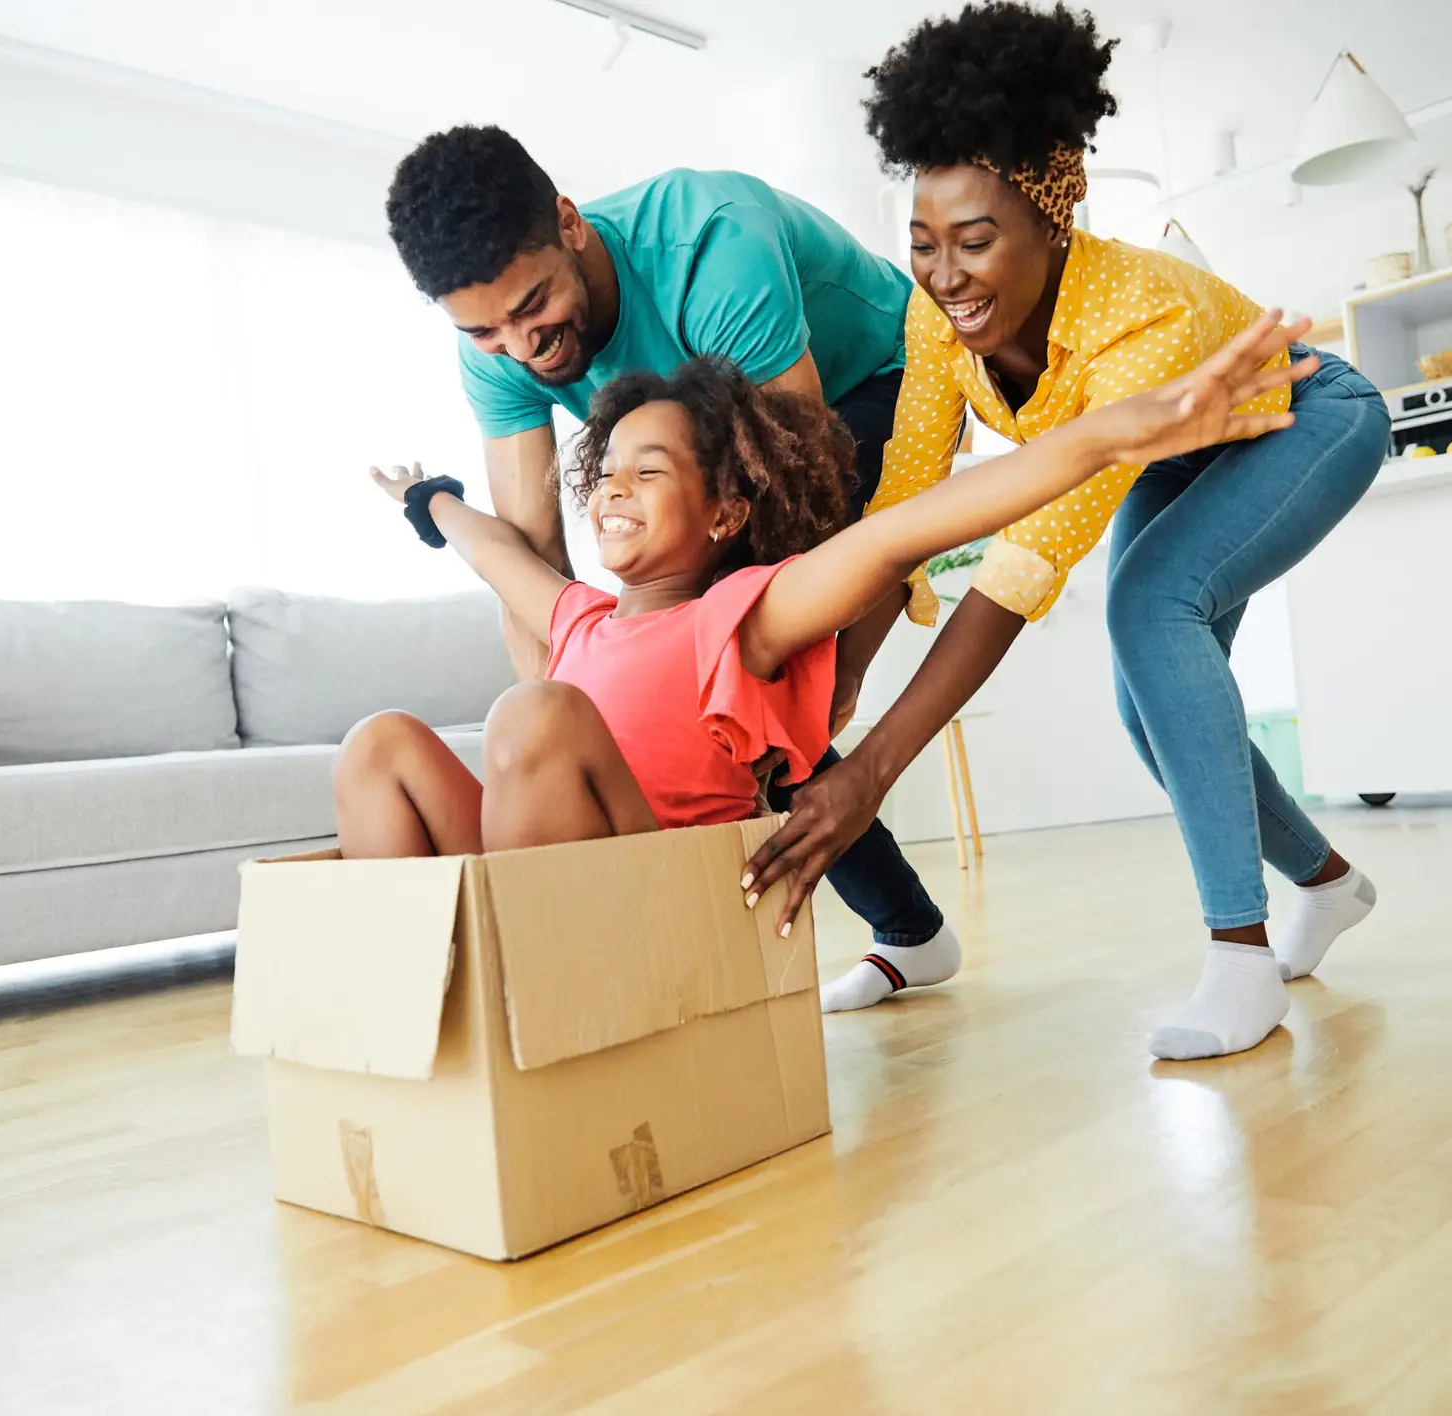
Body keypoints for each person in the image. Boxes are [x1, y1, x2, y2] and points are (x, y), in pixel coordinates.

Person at [741, 2, 1392, 1060]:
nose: (945, 274)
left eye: (975, 241)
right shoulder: (934, 314)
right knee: (1151, 715)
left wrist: (873, 774)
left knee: (1150, 606)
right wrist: (835, 691)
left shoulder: (1139, 316)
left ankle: (1241, 956)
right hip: (1175, 454)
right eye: (922, 245)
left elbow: (1019, 569)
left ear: (1053, 222)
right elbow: (903, 513)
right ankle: (1329, 885)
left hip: (1306, 418)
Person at [339, 325, 1311, 868]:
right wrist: (428, 500)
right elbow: (488, 549)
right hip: (539, 881)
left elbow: (902, 533)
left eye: (651, 469)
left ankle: (517, 995)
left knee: (537, 711)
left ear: (724, 513)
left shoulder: (743, 616)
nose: (613, 487)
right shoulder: (578, 619)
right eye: (606, 473)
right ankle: (417, 999)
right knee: (381, 742)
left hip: (651, 895)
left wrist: (1105, 436)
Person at [384, 124, 954, 1006]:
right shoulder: (493, 346)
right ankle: (912, 929)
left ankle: (903, 930)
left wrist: (830, 675)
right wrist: (575, 731)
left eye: (534, 308)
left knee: (748, 680)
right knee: (679, 684)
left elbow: (794, 496)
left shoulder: (710, 245)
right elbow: (530, 553)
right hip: (708, 433)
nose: (522, 347)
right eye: (487, 331)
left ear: (570, 225)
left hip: (871, 388)